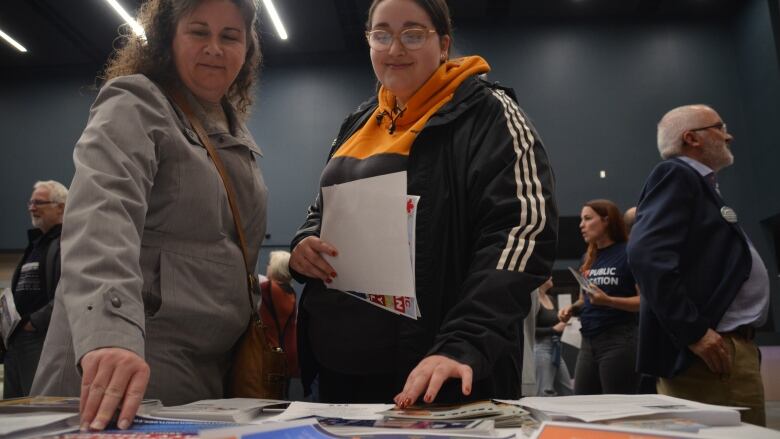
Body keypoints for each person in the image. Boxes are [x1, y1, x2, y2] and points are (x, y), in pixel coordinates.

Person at [289, 0, 557, 406]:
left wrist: (464, 342)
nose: (395, 48)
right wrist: (304, 243)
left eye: (413, 34)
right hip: (339, 373)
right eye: (381, 34)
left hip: (436, 373)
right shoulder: (358, 122)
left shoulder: (489, 114)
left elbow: (523, 232)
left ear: (444, 44)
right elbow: (320, 211)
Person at [30, 0, 266, 431]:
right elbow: (103, 212)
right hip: (129, 363)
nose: (215, 47)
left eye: (230, 36)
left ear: (247, 48)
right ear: (167, 41)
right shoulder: (136, 101)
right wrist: (110, 334)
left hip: (210, 372)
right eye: (199, 32)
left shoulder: (234, 131)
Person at [627, 105, 769, 425]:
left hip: (724, 348)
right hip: (710, 354)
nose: (728, 135)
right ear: (692, 138)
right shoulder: (676, 173)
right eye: (720, 127)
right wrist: (694, 331)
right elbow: (647, 254)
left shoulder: (700, 184)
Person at [559, 199, 640, 395]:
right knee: (583, 403)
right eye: (581, 219)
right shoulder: (587, 258)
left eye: (587, 218)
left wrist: (609, 301)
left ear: (606, 221)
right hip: (588, 341)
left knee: (616, 407)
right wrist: (572, 309)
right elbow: (584, 299)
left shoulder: (629, 253)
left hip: (619, 340)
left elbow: (644, 302)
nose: (581, 225)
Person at [2, 181, 67, 398]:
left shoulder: (66, 243)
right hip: (16, 341)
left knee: (39, 404)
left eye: (39, 202)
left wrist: (34, 322)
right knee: (13, 408)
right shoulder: (35, 245)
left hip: (42, 340)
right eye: (31, 202)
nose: (32, 207)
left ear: (61, 207)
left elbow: (68, 290)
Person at [260, 251, 299, 380]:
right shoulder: (290, 291)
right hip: (287, 351)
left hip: (269, 351)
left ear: (276, 266)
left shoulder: (268, 288)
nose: (267, 266)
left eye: (269, 263)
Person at [534, 278, 573, 396]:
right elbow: (530, 330)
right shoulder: (534, 301)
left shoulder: (550, 298)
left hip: (555, 347)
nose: (551, 277)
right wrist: (553, 329)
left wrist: (564, 318)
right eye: (548, 275)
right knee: (545, 391)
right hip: (541, 348)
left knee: (566, 390)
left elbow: (557, 322)